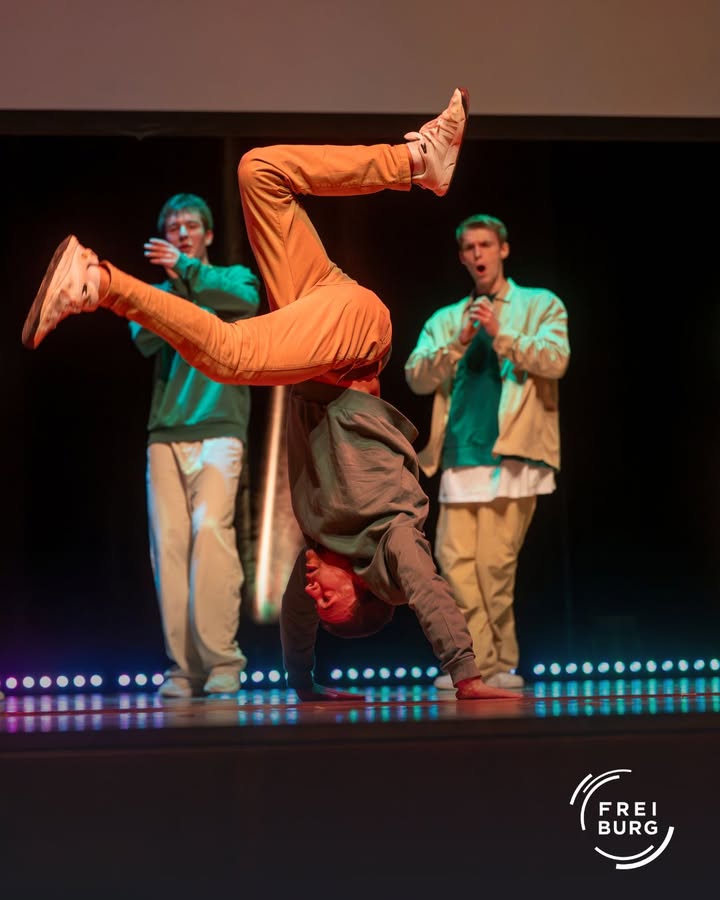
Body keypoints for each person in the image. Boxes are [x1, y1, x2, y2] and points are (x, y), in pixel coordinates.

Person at [22, 88, 519, 702]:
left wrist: (305, 686)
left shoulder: (319, 546)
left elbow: (297, 624)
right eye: (329, 598)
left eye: (315, 600)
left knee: (259, 170)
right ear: (368, 584)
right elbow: (428, 590)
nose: (312, 592)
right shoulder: (391, 540)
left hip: (321, 311)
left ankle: (416, 162)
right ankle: (99, 282)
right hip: (355, 339)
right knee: (231, 356)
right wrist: (465, 674)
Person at [405, 214, 570, 690]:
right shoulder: (446, 319)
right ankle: (471, 666)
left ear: (503, 250)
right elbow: (417, 375)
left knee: (494, 568)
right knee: (455, 568)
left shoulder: (540, 304)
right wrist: (457, 344)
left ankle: (500, 664)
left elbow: (556, 360)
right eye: (469, 247)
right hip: (460, 454)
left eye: (485, 245)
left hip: (513, 456)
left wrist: (503, 333)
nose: (477, 254)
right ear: (461, 256)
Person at [130, 193, 260, 698]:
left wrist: (186, 272)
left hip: (220, 426)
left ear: (207, 235)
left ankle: (223, 661)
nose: (181, 232)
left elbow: (248, 302)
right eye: (172, 227)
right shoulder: (157, 294)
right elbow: (142, 335)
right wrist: (176, 286)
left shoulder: (231, 280)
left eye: (190, 225)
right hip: (167, 432)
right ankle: (185, 669)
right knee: (170, 548)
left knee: (212, 535)